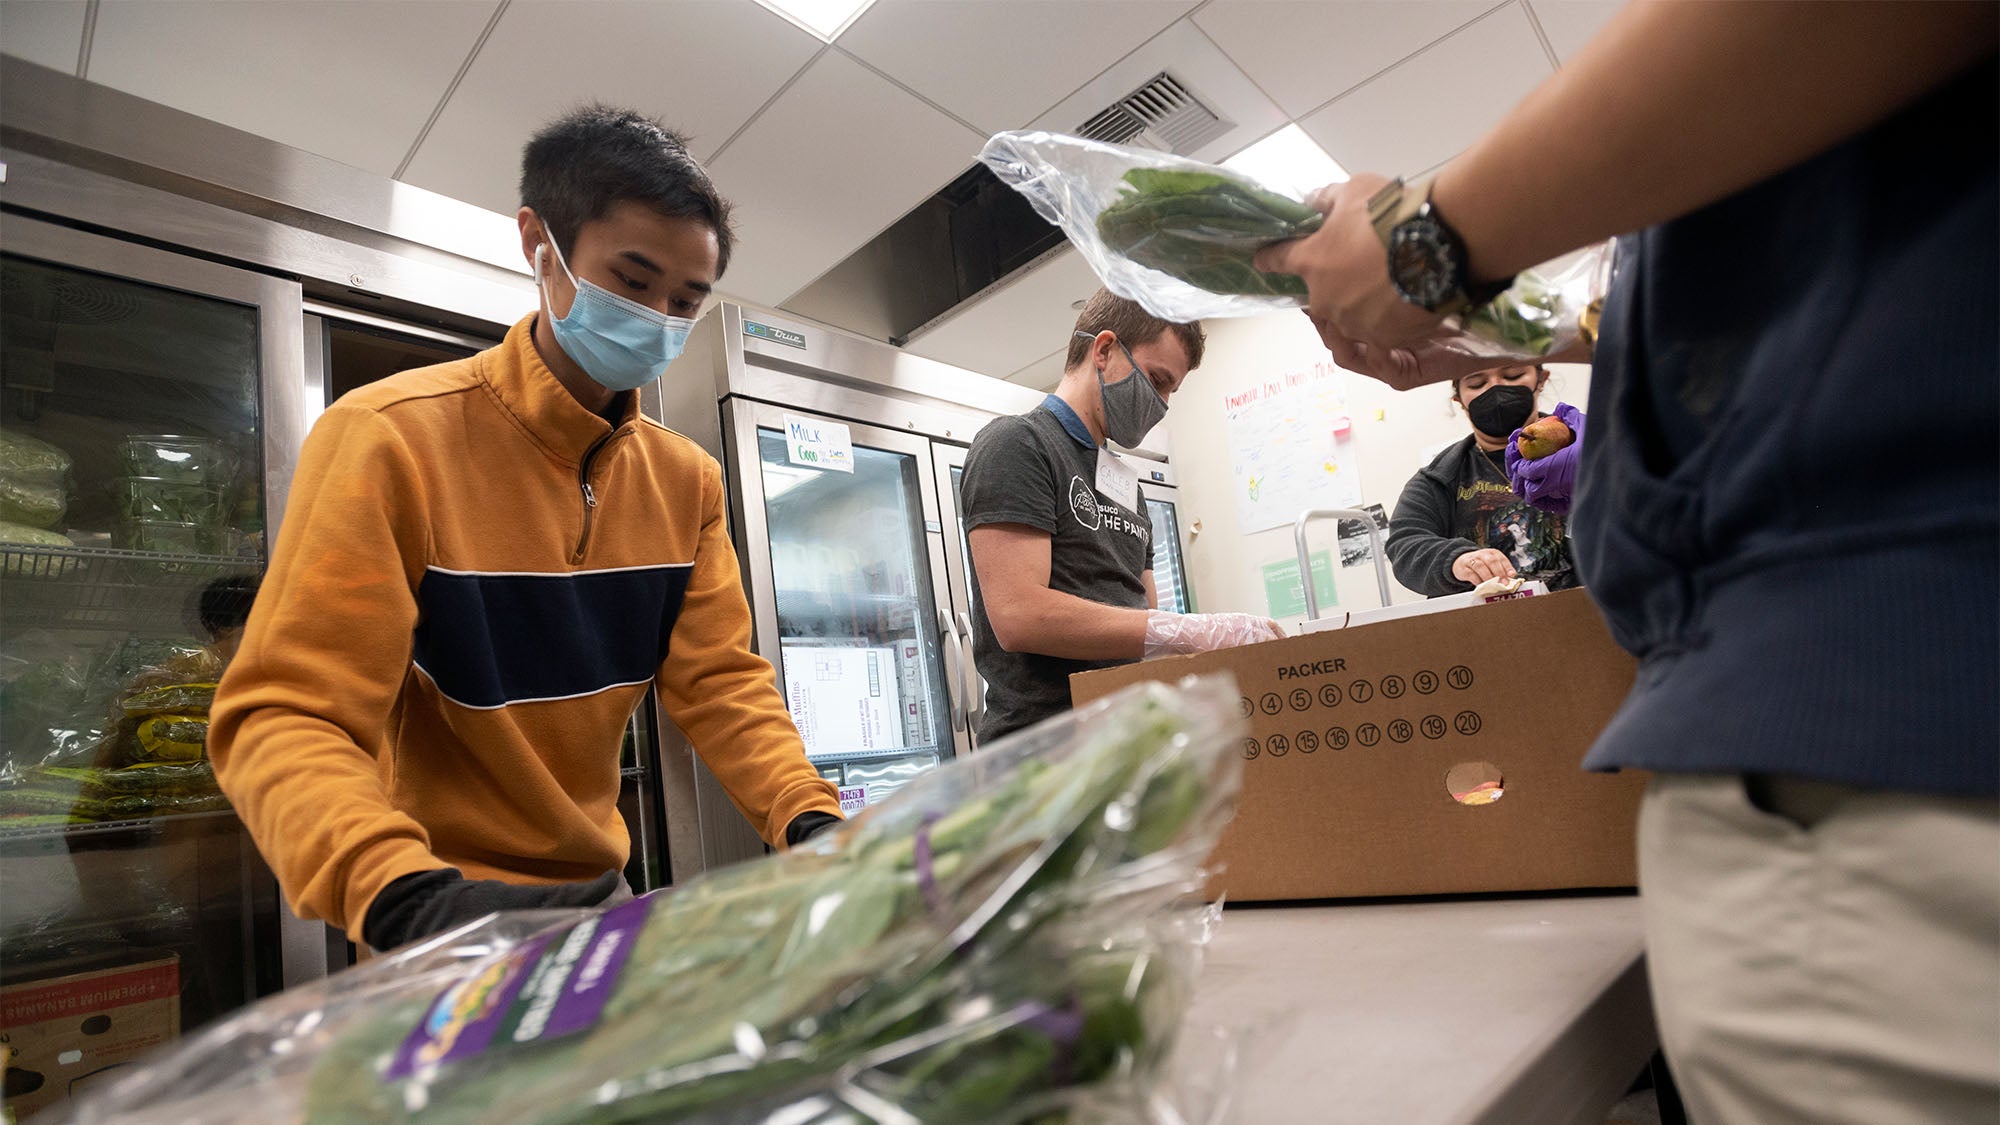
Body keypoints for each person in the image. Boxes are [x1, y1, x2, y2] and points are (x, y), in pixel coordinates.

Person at [1255, 5, 1997, 1122]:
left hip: (1885, 726)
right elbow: (1748, 280)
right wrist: (1530, 329)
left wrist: (1428, 242)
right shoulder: (1448, 468)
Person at [210, 106, 842, 953]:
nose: (658, 315)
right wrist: (399, 895)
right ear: (539, 244)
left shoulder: (686, 482)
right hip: (434, 907)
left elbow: (723, 685)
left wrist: (810, 819)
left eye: (685, 300)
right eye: (631, 280)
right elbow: (286, 713)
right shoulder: (390, 439)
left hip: (600, 898)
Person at [961, 290, 1283, 742]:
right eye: (1156, 379)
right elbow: (1019, 615)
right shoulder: (1019, 445)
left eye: (1171, 389)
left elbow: (1141, 620)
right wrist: (1190, 629)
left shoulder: (1128, 488)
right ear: (1105, 350)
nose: (1162, 402)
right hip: (1041, 753)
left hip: (1120, 742)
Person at [1384, 362, 1580, 596]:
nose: (1495, 388)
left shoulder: (1587, 447)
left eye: (1512, 374)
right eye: (1477, 382)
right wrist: (1457, 561)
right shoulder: (1439, 478)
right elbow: (1405, 545)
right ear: (1459, 399)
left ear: (1541, 379)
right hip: (1490, 626)